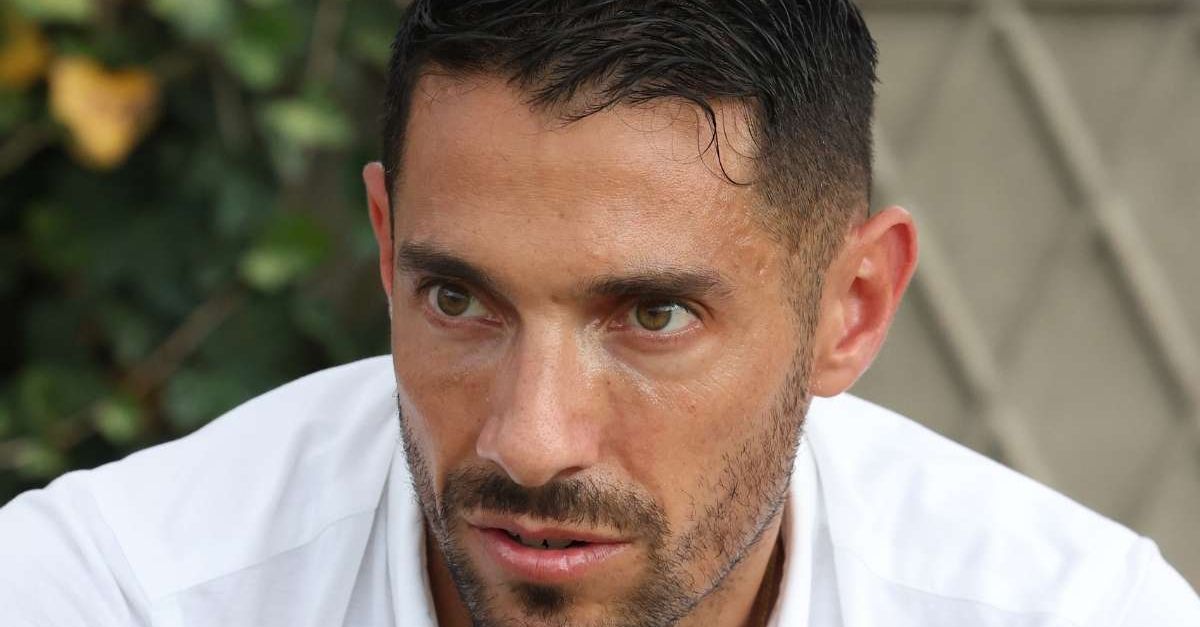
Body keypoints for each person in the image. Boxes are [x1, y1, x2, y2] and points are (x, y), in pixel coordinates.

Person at [2, 1, 1197, 625]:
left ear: (852, 308)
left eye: (653, 316)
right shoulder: (118, 599)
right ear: (383, 244)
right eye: (458, 299)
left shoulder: (1071, 616)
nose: (530, 441)